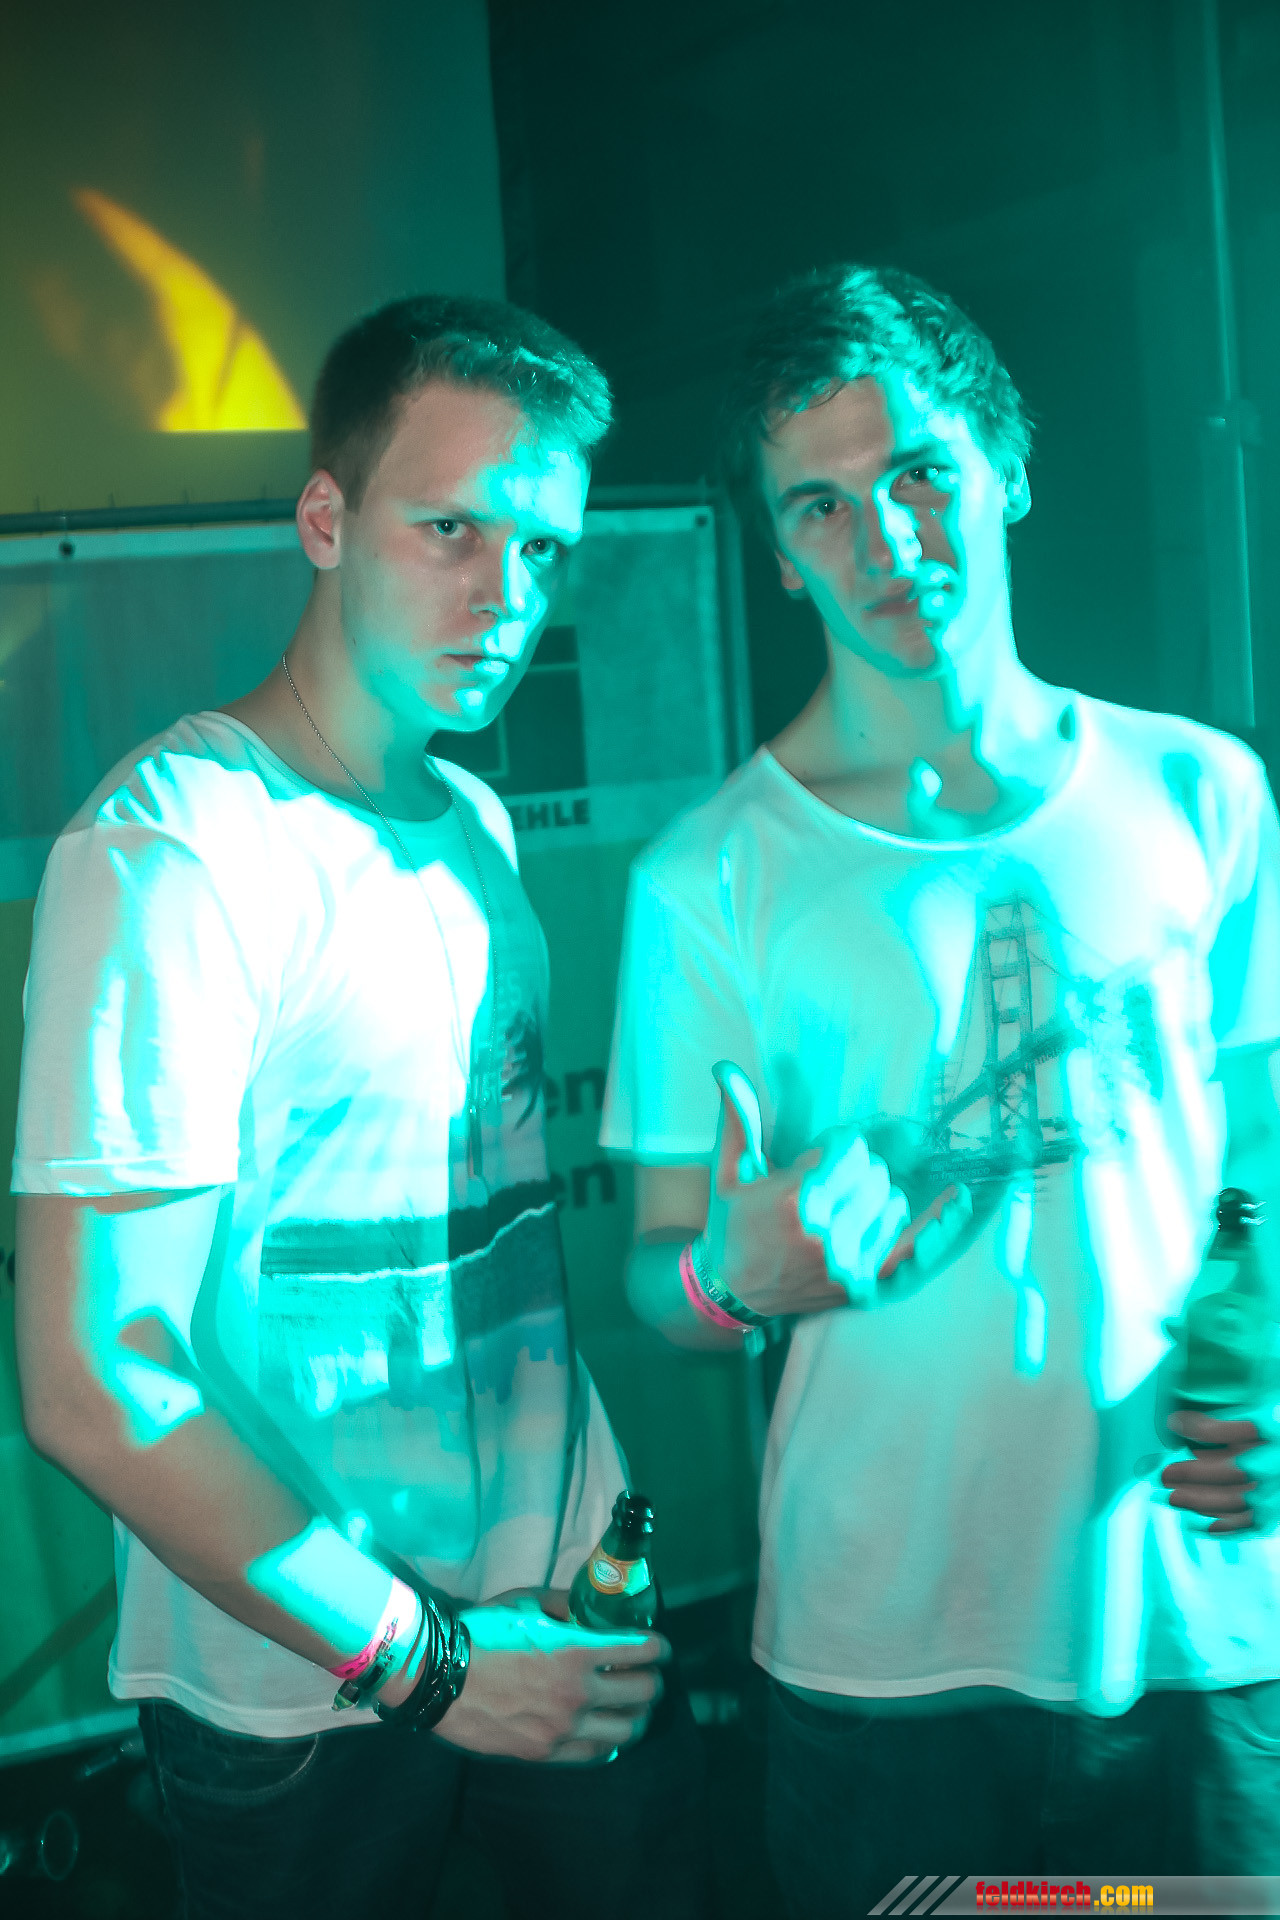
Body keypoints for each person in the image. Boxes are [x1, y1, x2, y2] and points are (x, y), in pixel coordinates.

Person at [13, 295, 710, 1920]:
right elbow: (95, 1382)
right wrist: (430, 1662)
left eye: (542, 548)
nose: (505, 592)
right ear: (325, 519)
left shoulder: (473, 818)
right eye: (450, 527)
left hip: (563, 1596)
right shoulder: (179, 850)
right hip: (314, 1680)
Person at [601, 263, 1280, 1912]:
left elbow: (1256, 1146)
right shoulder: (710, 874)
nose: (886, 541)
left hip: (1195, 1615)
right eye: (821, 506)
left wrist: (1263, 1356)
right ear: (778, 553)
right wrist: (726, 1277)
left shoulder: (1204, 789)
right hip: (887, 1659)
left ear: (1008, 469)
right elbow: (660, 1281)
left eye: (919, 473)